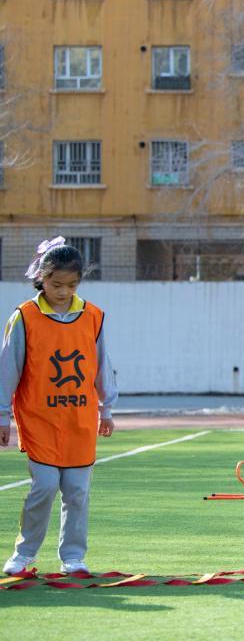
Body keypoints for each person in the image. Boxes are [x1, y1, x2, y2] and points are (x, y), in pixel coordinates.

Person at [0, 238, 118, 576]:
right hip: (40, 420)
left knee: (78, 491)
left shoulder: (92, 316)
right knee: (45, 486)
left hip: (80, 419)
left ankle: (73, 557)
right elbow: (8, 368)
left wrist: (106, 409)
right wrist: (2, 414)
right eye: (55, 284)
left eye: (71, 284)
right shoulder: (24, 317)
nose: (63, 291)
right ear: (41, 277)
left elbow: (100, 364)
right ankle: (24, 554)